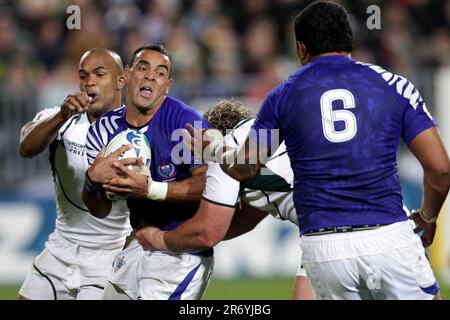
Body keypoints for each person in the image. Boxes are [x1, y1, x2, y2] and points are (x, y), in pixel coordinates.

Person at [218, 1, 450, 300]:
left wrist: (215, 151)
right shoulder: (393, 84)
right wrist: (427, 218)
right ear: (349, 39)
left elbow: (244, 168)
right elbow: (440, 169)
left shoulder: (282, 96)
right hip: (387, 234)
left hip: (324, 247)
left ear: (301, 49)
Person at [136, 99, 314, 300]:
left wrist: (159, 239)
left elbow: (207, 232)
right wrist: (185, 236)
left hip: (329, 231)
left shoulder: (224, 152)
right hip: (341, 214)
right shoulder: (265, 134)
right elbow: (245, 219)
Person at [82, 43, 212, 300]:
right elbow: (99, 210)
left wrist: (151, 189)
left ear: (167, 86)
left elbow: (209, 186)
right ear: (128, 74)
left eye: (160, 73)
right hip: (138, 241)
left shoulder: (185, 122)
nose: (151, 76)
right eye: (143, 68)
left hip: (181, 249)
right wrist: (92, 181)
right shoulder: (102, 131)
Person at [18, 48, 132, 300]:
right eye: (83, 75)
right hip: (60, 248)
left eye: (99, 74)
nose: (89, 81)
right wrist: (61, 114)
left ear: (121, 80)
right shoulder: (62, 119)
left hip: (108, 258)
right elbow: (26, 148)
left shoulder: (137, 134)